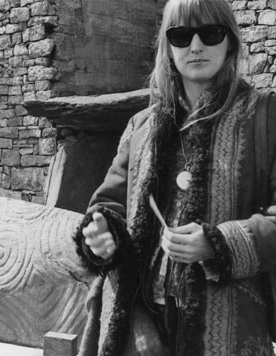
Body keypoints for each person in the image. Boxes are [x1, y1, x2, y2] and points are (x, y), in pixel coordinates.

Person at [73, 0, 276, 355]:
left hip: (228, 328)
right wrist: (101, 232)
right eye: (181, 35)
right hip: (139, 324)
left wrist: (219, 243)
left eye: (210, 33)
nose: (195, 46)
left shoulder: (266, 118)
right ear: (168, 48)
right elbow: (108, 205)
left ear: (230, 40)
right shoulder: (141, 126)